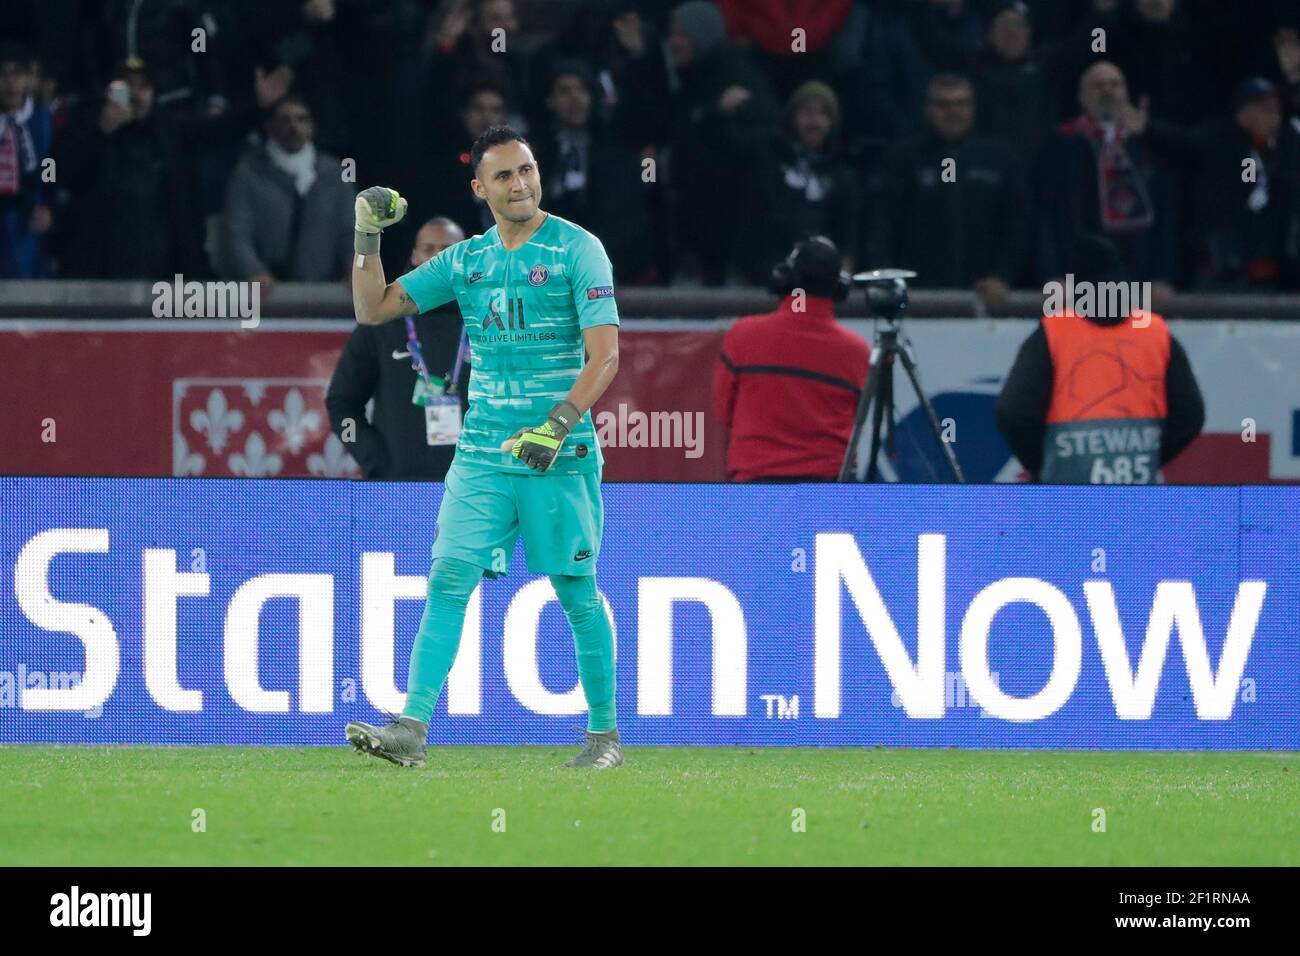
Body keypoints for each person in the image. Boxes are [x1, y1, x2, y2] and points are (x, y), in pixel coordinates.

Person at [343, 126, 623, 770]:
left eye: (527, 170)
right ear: (480, 188)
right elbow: (373, 309)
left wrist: (556, 427)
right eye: (504, 175)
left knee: (576, 589)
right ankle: (411, 728)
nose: (520, 183)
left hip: (559, 451)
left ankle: (605, 737)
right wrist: (366, 235)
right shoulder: (466, 261)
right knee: (447, 578)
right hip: (482, 455)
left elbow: (606, 354)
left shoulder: (580, 249)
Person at [994, 234, 1204, 483]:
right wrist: (1150, 453)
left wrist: (1045, 464)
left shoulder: (1053, 333)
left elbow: (1012, 412)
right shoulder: (1155, 333)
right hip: (1136, 497)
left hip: (1066, 499)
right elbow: (1190, 413)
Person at [713, 235, 870, 481]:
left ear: (784, 279)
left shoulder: (743, 336)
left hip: (755, 490)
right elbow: (860, 421)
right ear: (839, 287)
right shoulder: (858, 352)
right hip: (830, 494)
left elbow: (724, 412)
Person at [326, 218, 471, 481]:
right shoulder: (382, 320)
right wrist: (377, 461)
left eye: (447, 250)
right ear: (415, 255)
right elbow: (342, 402)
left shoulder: (489, 318)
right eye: (428, 249)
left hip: (474, 488)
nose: (437, 258)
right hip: (396, 487)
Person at [866, 73, 1030, 306]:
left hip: (984, 298)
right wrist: (889, 279)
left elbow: (1017, 225)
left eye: (961, 104)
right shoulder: (900, 160)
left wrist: (1003, 275)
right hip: (917, 298)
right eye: (943, 104)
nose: (953, 111)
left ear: (973, 108)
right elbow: (882, 226)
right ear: (927, 109)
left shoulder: (1000, 160)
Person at [221, 94, 354, 285]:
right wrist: (254, 271)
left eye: (301, 119)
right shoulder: (248, 174)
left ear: (312, 126)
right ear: (270, 126)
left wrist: (355, 271)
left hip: (327, 290)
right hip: (269, 292)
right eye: (285, 120)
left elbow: (351, 230)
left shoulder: (336, 173)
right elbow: (238, 232)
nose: (293, 127)